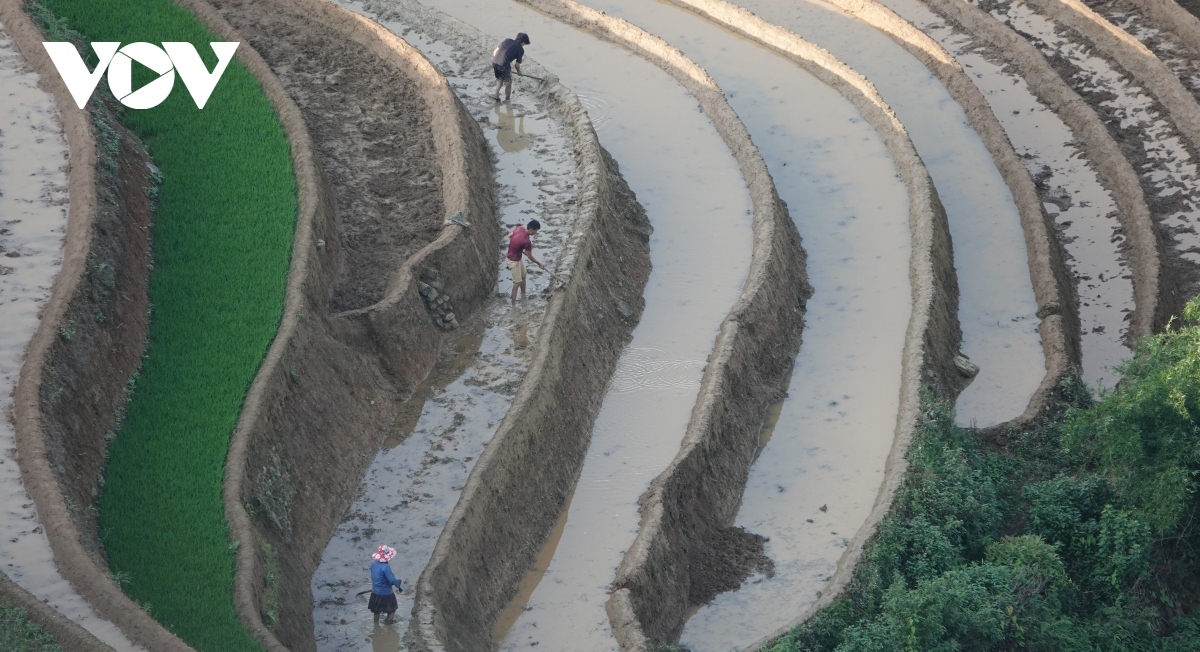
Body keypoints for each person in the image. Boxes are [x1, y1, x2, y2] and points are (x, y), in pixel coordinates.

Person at [506, 219, 545, 306]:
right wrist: (539, 264)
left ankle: (523, 296)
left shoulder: (520, 228)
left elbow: (510, 235)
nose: (536, 233)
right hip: (513, 261)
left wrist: (517, 246)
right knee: (517, 283)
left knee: (523, 276)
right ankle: (513, 306)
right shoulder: (527, 241)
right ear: (531, 230)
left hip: (517, 258)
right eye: (535, 231)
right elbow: (529, 256)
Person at [368, 545, 404, 625]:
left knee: (376, 611)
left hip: (375, 592)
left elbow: (376, 577)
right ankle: (387, 624)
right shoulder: (386, 567)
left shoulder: (374, 564)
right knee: (392, 610)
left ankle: (376, 625)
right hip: (386, 594)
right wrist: (398, 583)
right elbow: (392, 580)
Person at [492, 32, 530, 102]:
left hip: (495, 62)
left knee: (500, 79)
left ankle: (496, 95)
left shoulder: (507, 40)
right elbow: (517, 65)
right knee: (508, 83)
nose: (524, 45)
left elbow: (495, 52)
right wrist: (519, 72)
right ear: (523, 42)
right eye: (524, 44)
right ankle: (507, 100)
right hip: (504, 64)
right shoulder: (520, 49)